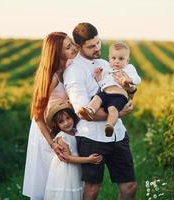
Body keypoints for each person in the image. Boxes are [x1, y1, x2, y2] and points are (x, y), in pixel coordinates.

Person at [63, 23, 137, 200]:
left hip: (118, 135)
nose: (97, 48)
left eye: (98, 43)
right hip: (91, 138)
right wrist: (118, 113)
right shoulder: (73, 72)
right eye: (91, 46)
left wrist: (132, 91)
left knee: (130, 186)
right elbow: (82, 112)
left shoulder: (107, 63)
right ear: (79, 46)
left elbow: (125, 90)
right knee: (92, 188)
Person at [22, 32, 78, 200]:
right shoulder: (50, 76)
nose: (73, 48)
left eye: (72, 44)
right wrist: (52, 143)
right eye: (68, 47)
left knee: (59, 179)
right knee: (46, 178)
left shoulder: (69, 66)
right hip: (45, 132)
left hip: (60, 127)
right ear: (56, 52)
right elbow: (37, 114)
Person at [78, 42, 141, 137]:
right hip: (105, 93)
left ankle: (109, 125)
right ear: (109, 58)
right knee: (96, 98)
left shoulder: (128, 68)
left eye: (121, 59)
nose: (117, 61)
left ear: (127, 61)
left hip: (119, 96)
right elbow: (102, 83)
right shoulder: (106, 68)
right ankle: (90, 110)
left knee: (113, 109)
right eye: (113, 58)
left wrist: (129, 80)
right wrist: (98, 77)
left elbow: (137, 79)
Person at [44, 101, 102, 200]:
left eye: (68, 118)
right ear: (57, 125)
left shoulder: (75, 131)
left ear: (72, 117)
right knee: (67, 194)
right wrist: (88, 160)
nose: (66, 123)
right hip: (67, 171)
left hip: (75, 168)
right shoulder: (62, 138)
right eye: (61, 122)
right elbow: (68, 158)